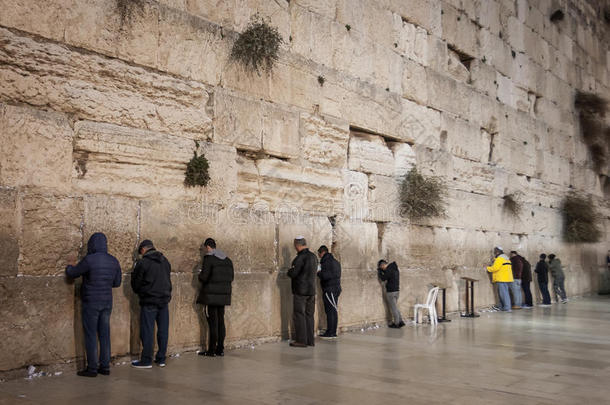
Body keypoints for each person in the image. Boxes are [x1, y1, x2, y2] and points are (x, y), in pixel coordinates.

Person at [65, 232, 122, 377]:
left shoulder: (89, 260)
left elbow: (73, 273)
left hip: (91, 302)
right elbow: (117, 283)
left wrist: (68, 267)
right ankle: (105, 367)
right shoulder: (114, 261)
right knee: (104, 334)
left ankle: (92, 368)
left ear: (92, 244)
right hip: (107, 302)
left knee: (90, 335)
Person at [130, 240, 172, 369]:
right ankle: (161, 359)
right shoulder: (165, 261)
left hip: (149, 301)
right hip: (164, 301)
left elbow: (135, 284)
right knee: (163, 331)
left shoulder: (143, 263)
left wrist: (142, 292)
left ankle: (147, 360)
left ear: (143, 250)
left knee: (147, 331)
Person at [197, 238, 234, 357]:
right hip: (223, 296)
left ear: (208, 247)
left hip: (211, 296)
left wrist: (199, 274)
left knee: (213, 322)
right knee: (221, 321)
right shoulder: (228, 260)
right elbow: (231, 278)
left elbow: (204, 277)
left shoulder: (209, 259)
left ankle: (211, 350)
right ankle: (220, 349)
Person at [287, 236, 317, 347]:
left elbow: (293, 273)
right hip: (311, 290)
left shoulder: (300, 258)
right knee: (309, 315)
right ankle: (310, 340)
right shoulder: (314, 257)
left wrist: (289, 271)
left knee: (299, 314)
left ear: (297, 245)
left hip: (300, 290)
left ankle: (301, 340)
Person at [317, 245, 341, 340]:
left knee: (331, 311)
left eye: (319, 254)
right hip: (335, 288)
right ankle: (332, 330)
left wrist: (318, 272)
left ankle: (331, 332)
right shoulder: (335, 261)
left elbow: (326, 276)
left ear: (322, 252)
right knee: (332, 310)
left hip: (330, 289)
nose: (319, 256)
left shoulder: (326, 262)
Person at [377, 259, 405, 328]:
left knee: (393, 308)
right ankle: (400, 321)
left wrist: (380, 272)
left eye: (381, 267)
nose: (382, 268)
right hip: (396, 291)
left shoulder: (389, 270)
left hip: (391, 292)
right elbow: (388, 275)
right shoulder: (394, 268)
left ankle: (396, 323)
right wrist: (383, 271)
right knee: (395, 307)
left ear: (382, 265)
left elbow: (383, 278)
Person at [486, 246, 514, 312]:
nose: (494, 253)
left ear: (498, 251)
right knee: (503, 293)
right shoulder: (506, 258)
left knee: (504, 294)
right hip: (507, 278)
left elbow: (495, 268)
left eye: (495, 251)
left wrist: (487, 268)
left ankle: (507, 307)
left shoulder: (500, 259)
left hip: (502, 278)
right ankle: (501, 306)